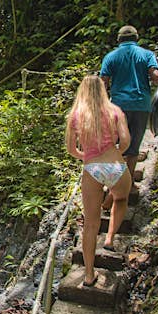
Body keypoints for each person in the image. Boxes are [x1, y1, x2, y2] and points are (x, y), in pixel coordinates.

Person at [65, 75, 132, 287]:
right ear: (103, 89)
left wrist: (86, 156)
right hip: (114, 164)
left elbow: (71, 149)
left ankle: (88, 275)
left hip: (91, 168)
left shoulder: (76, 116)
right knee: (121, 199)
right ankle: (110, 238)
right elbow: (126, 141)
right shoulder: (115, 111)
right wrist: (115, 153)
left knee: (90, 224)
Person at [99, 25, 158, 210]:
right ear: (136, 38)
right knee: (133, 148)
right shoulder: (146, 55)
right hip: (141, 105)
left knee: (118, 146)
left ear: (119, 40)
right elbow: (155, 75)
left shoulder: (111, 57)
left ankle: (114, 184)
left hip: (118, 106)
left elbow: (103, 83)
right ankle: (127, 186)